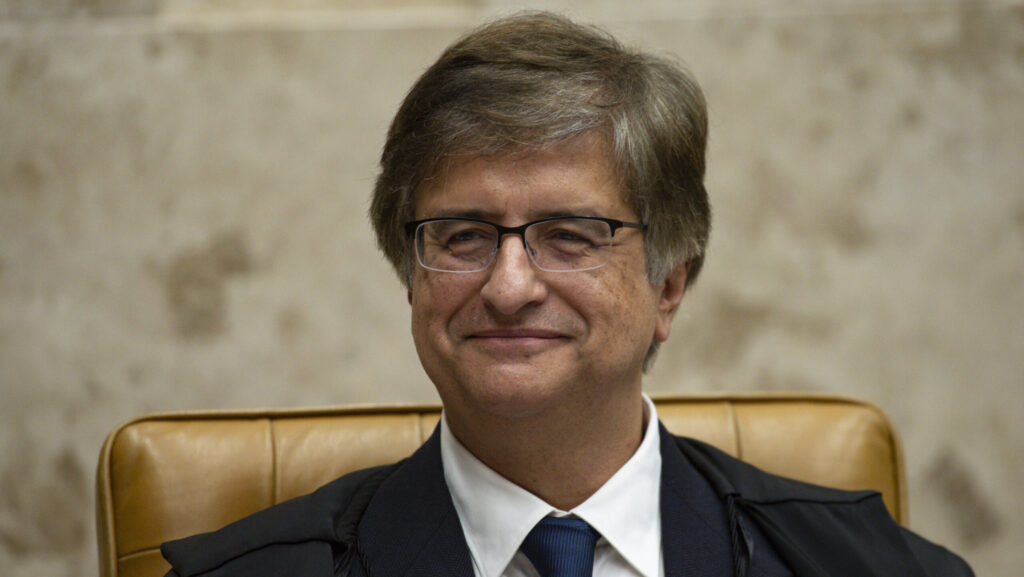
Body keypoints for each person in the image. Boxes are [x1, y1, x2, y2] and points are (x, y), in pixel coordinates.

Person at [161, 11, 973, 577]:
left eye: (571, 235)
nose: (509, 286)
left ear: (669, 283)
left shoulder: (870, 566)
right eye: (463, 235)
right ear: (411, 274)